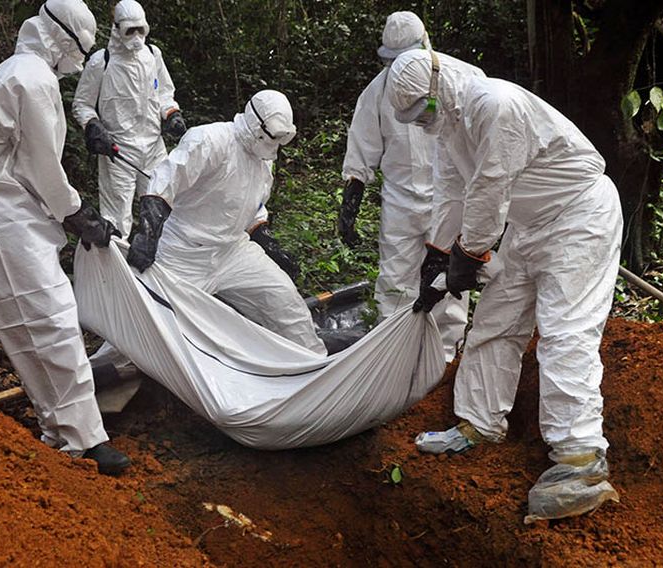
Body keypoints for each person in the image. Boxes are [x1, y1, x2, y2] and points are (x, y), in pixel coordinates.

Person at [388, 47, 623, 520]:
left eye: (423, 110)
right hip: (527, 224)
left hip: (579, 216)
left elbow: (490, 186)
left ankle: (580, 460)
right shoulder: (450, 129)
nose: (422, 122)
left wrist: (468, 253)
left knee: (564, 331)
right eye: (412, 118)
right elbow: (453, 192)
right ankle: (478, 422)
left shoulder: (495, 103)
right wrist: (438, 253)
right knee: (495, 320)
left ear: (442, 83)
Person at [0, 0, 130, 476]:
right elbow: (40, 166)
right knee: (49, 323)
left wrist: (72, 211)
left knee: (39, 325)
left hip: (8, 214)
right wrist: (78, 213)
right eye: (77, 52)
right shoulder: (32, 79)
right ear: (60, 39)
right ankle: (82, 441)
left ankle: (63, 433)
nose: (75, 64)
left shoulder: (11, 72)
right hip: (2, 215)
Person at [125, 90, 328, 356]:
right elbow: (165, 181)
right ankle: (110, 371)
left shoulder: (263, 160)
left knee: (284, 301)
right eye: (273, 137)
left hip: (232, 251)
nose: (275, 145)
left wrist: (269, 244)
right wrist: (149, 233)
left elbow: (252, 210)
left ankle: (314, 363)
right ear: (257, 124)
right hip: (183, 255)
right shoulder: (210, 139)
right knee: (150, 327)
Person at [338, 11, 478, 362]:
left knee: (449, 283)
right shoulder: (378, 91)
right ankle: (395, 357)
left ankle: (445, 356)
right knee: (395, 280)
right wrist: (351, 197)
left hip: (450, 201)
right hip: (401, 201)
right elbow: (363, 145)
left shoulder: (462, 78)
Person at [72, 0, 184, 238]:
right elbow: (82, 104)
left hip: (154, 147)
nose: (135, 36)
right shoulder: (101, 62)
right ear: (116, 29)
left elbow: (164, 92)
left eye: (140, 29)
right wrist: (92, 126)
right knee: (117, 217)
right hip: (118, 152)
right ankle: (117, 271)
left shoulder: (153, 55)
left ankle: (159, 267)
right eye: (129, 30)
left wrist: (171, 114)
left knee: (162, 208)